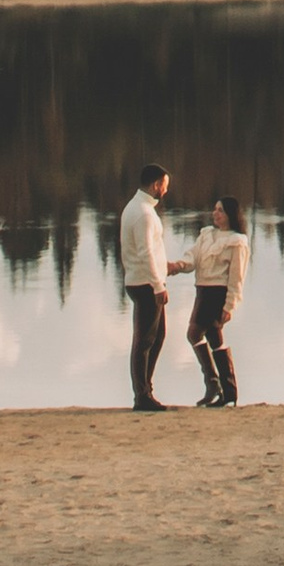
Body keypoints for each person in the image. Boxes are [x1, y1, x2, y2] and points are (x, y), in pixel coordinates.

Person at [117, 158, 171, 409]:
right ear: (156, 184)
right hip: (146, 284)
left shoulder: (135, 207)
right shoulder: (144, 214)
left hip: (141, 280)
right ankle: (142, 395)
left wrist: (165, 268)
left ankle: (145, 391)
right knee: (145, 340)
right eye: (164, 185)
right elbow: (145, 252)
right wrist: (158, 286)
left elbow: (148, 252)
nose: (166, 190)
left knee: (156, 336)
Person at [188, 192, 250, 406]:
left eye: (220, 210)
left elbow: (237, 276)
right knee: (214, 339)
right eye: (214, 209)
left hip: (217, 293)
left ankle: (215, 383)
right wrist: (177, 266)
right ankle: (227, 391)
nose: (215, 214)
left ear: (230, 215)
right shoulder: (207, 234)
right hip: (202, 290)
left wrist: (230, 304)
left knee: (194, 333)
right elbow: (193, 256)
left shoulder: (237, 242)